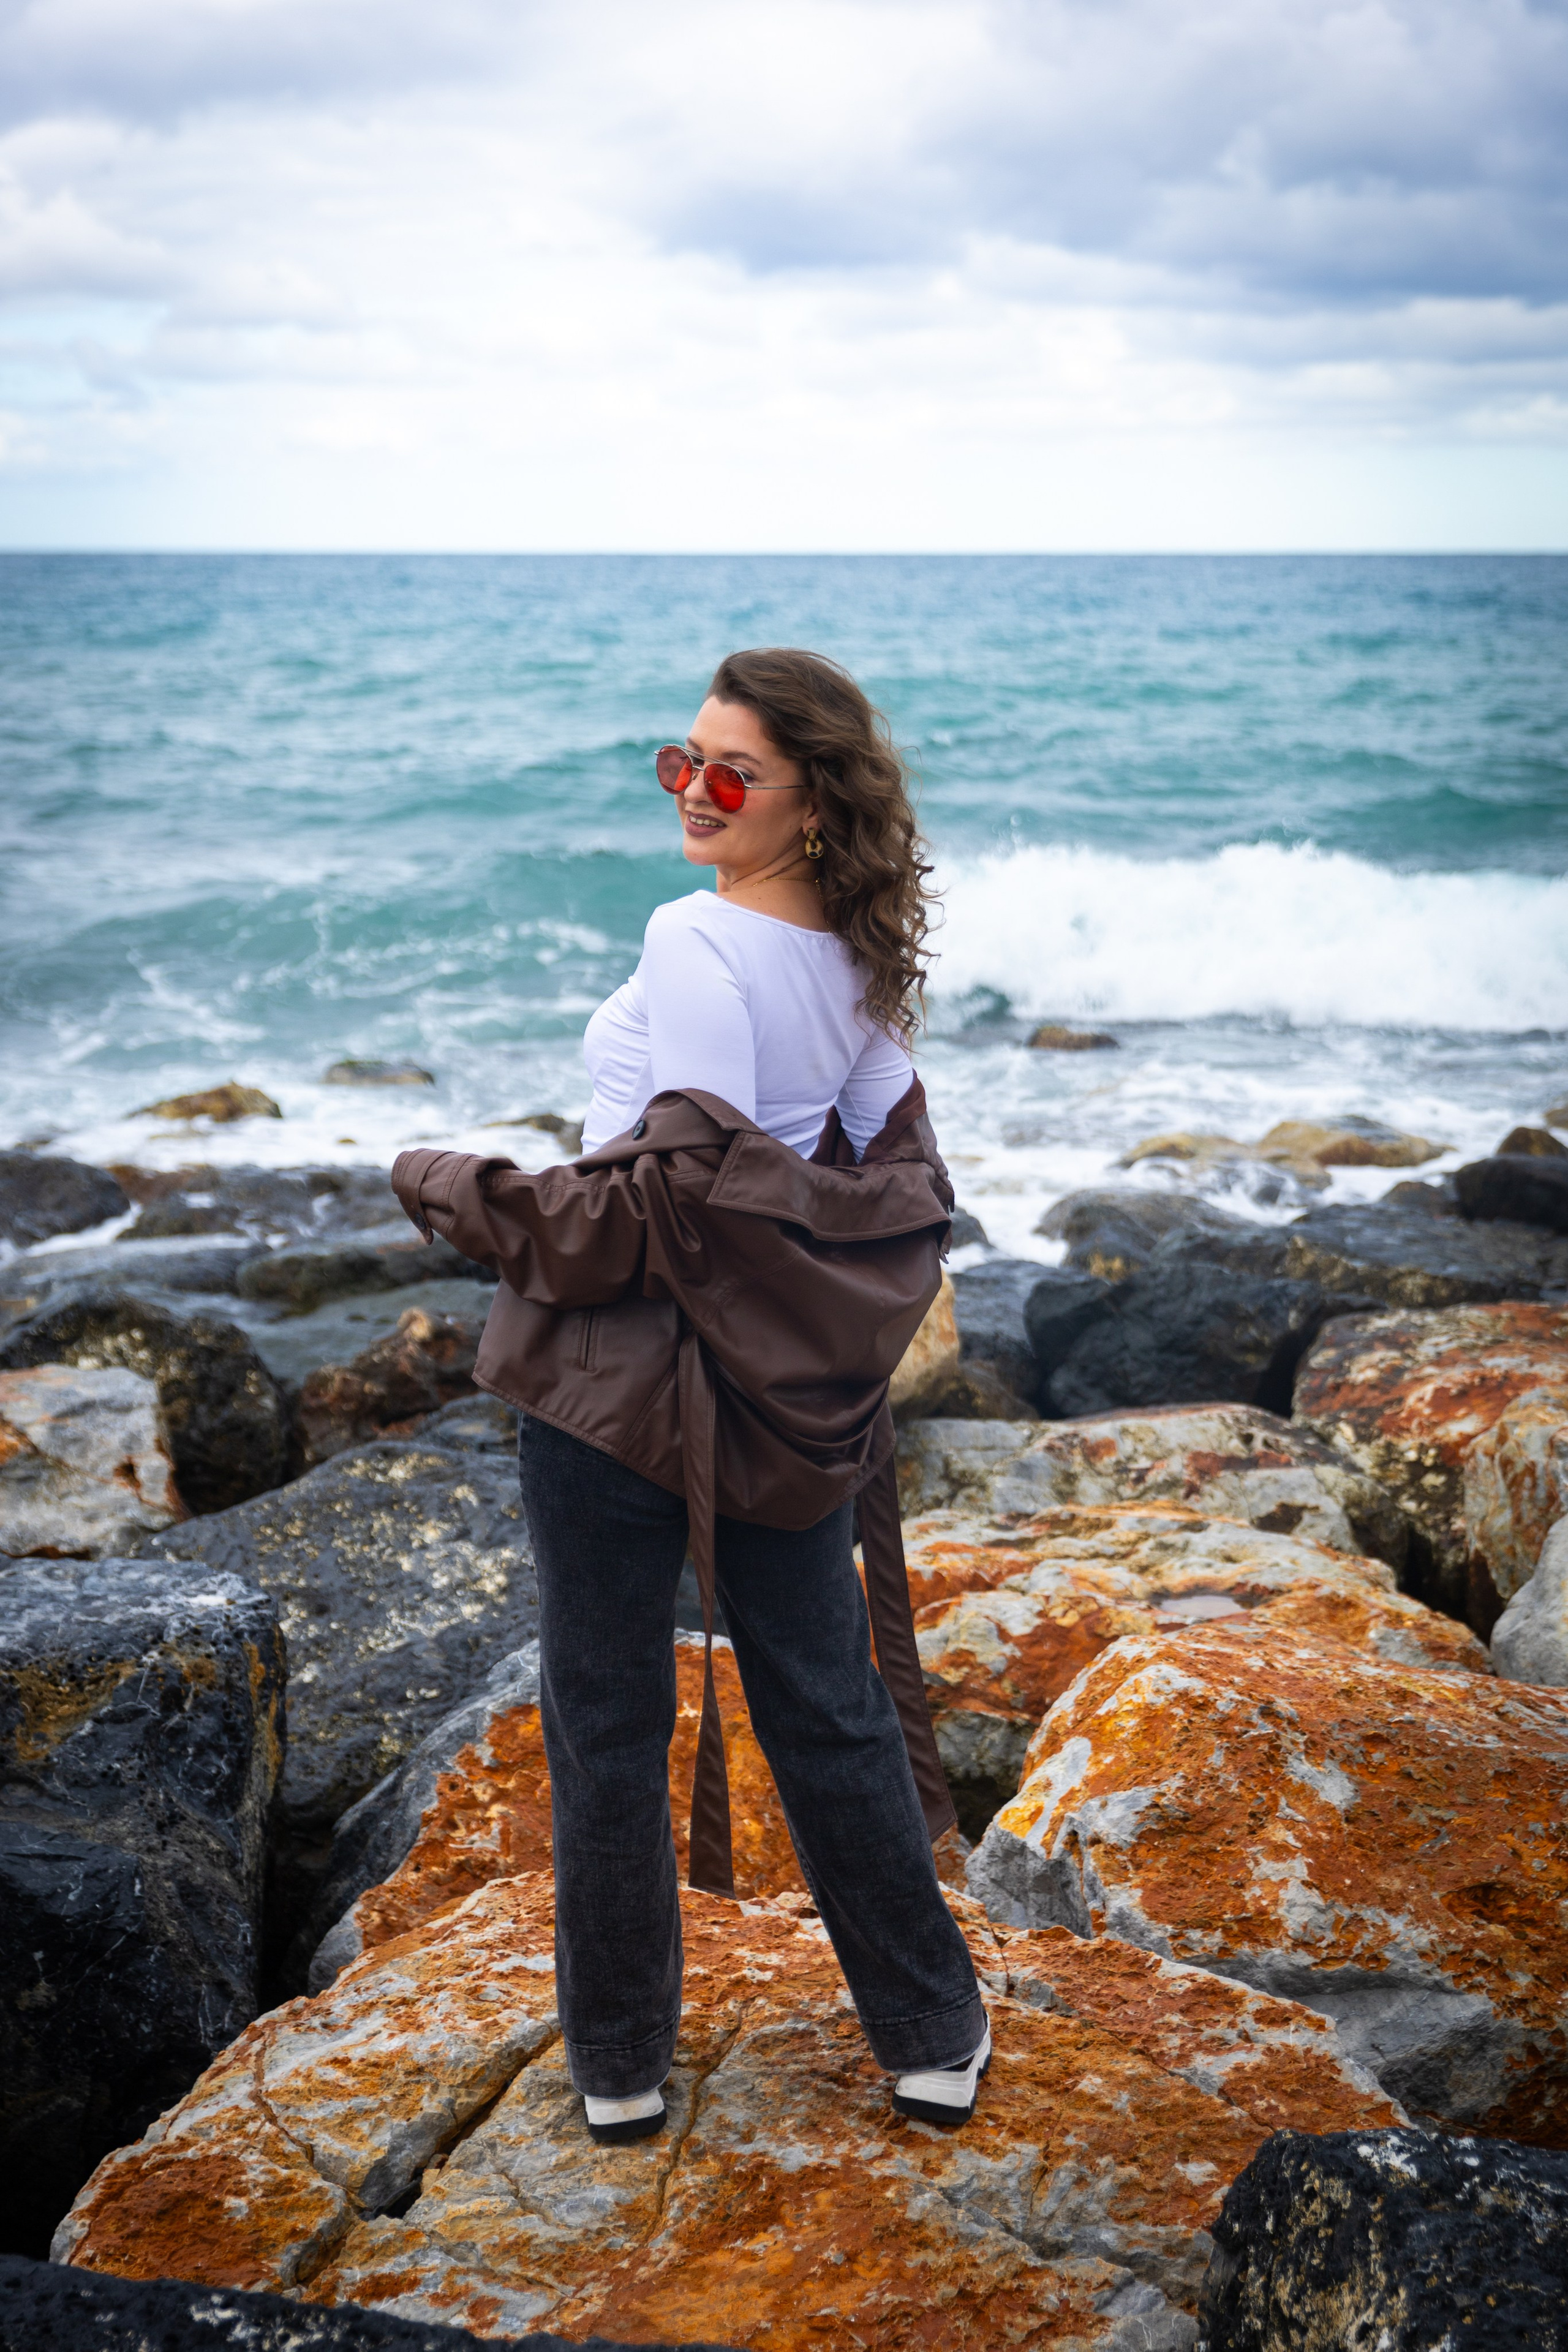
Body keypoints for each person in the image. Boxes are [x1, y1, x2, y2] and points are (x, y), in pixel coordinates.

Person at [391, 647, 987, 2148]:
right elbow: (881, 1180)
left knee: (605, 1718)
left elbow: (679, 1188)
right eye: (682, 761)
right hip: (775, 1393)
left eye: (733, 772)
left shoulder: (691, 934)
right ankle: (932, 2035)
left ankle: (619, 2064)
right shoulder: (860, 956)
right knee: (825, 1704)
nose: (696, 791)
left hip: (613, 1379)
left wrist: (463, 1187)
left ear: (810, 801)